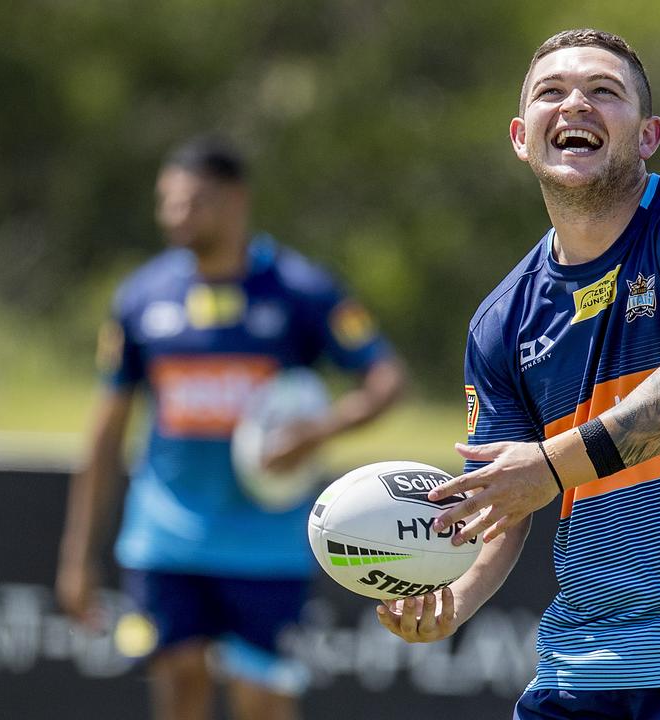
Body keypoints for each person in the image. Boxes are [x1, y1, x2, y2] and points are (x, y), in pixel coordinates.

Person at [375, 29, 660, 719]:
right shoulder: (503, 318)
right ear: (522, 137)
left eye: (603, 92)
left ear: (647, 136)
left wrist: (549, 466)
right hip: (582, 660)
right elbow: (506, 495)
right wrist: (454, 599)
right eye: (551, 92)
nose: (575, 103)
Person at [57, 137, 406, 720]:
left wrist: (317, 430)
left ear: (236, 201)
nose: (175, 215)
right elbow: (105, 433)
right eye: (166, 202)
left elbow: (386, 381)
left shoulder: (300, 291)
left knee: (262, 704)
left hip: (266, 546)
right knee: (180, 688)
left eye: (193, 202)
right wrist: (77, 557)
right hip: (165, 539)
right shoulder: (142, 298)